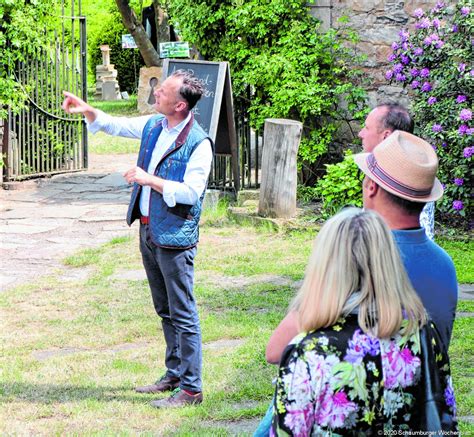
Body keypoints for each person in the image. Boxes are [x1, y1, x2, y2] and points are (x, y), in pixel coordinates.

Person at [62, 70, 213, 408]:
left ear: (180, 105)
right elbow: (118, 125)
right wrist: (88, 110)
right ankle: (174, 374)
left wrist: (150, 179)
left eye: (164, 91)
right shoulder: (154, 126)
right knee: (164, 309)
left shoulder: (198, 142)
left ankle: (191, 389)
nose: (157, 91)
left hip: (174, 236)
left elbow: (191, 192)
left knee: (183, 312)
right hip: (149, 230)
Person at [272, 208, 457, 435]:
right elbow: (446, 416)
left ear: (324, 267)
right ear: (389, 262)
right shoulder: (423, 332)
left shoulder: (309, 352)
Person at [358, 102, 435, 239]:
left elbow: (417, 241)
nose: (360, 133)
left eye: (367, 128)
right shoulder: (379, 169)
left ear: (386, 136)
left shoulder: (412, 178)